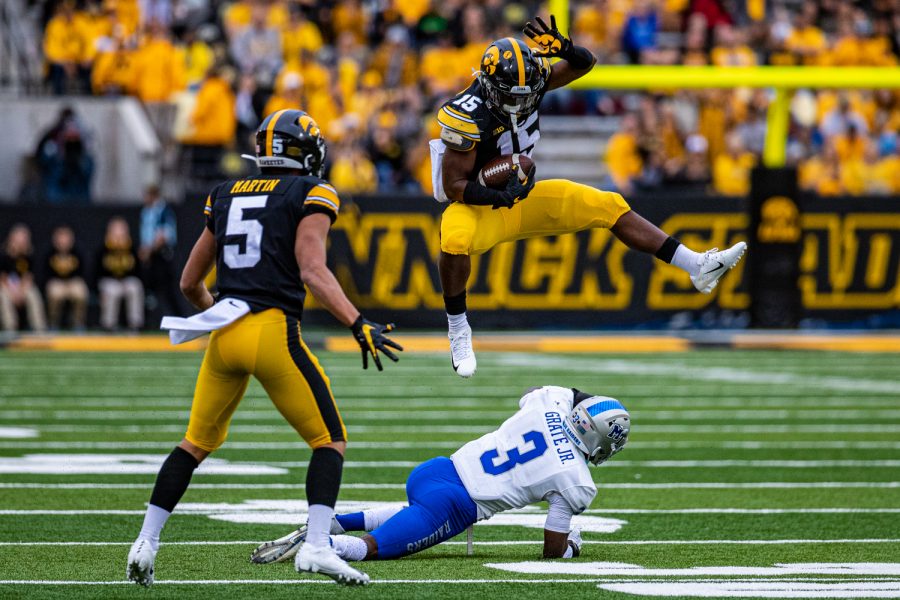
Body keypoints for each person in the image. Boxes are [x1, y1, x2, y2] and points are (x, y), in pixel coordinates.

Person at [126, 109, 403, 588]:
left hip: (225, 333)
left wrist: (222, 312)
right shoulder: (311, 192)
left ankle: (146, 542)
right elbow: (312, 270)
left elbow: (190, 282)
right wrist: (357, 322)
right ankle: (316, 546)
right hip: (274, 330)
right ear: (305, 153)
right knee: (329, 440)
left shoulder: (224, 194)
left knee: (194, 444)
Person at [431, 16, 747, 378]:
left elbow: (585, 64)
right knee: (453, 238)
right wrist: (497, 196)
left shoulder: (529, 81)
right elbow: (455, 184)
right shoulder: (467, 111)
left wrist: (566, 48)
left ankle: (696, 266)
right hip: (478, 206)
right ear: (489, 86)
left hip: (522, 195)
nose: (519, 104)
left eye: (525, 95)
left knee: (608, 205)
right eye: (509, 97)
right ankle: (458, 329)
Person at [250, 386, 629, 564]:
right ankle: (323, 547)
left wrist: (587, 403)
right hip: (455, 504)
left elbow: (551, 392)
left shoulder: (550, 403)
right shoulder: (575, 479)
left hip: (437, 470)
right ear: (599, 441)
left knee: (411, 513)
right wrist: (572, 546)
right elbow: (551, 548)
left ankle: (332, 524)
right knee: (370, 550)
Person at [139, 185, 181, 321]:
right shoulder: (146, 211)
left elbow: (164, 235)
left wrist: (149, 250)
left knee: (168, 290)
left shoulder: (163, 211)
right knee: (150, 289)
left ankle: (179, 317)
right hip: (150, 255)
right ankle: (151, 320)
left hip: (161, 255)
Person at [97, 217, 144, 331]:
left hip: (126, 281)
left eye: (121, 230)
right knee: (112, 290)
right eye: (115, 230)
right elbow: (97, 273)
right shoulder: (103, 249)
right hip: (109, 281)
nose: (118, 234)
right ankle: (108, 325)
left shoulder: (132, 247)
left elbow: (139, 271)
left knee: (135, 286)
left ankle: (135, 324)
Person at [0, 224, 48, 333]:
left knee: (33, 294)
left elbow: (28, 277)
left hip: (22, 287)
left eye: (24, 239)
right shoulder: (3, 255)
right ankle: (10, 328)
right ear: (11, 239)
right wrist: (12, 293)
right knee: (3, 296)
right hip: (5, 287)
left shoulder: (29, 255)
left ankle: (39, 329)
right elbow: (2, 278)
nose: (22, 242)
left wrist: (21, 292)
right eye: (19, 239)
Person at [44, 225, 90, 330]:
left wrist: (70, 284)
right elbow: (45, 276)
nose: (63, 241)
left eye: (66, 238)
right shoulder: (49, 253)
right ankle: (53, 323)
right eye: (61, 238)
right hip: (56, 282)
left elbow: (83, 274)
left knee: (80, 292)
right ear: (55, 239)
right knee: (55, 293)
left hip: (73, 282)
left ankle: (78, 324)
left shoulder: (78, 252)